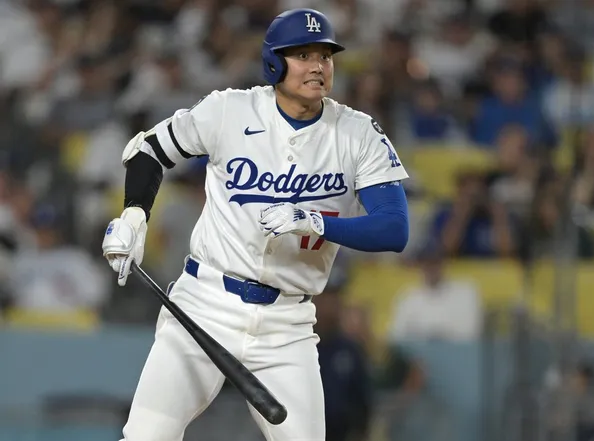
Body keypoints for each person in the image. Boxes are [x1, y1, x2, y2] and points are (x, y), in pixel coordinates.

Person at [100, 8, 409, 441]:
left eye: (325, 56)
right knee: (146, 436)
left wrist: (314, 222)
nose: (317, 66)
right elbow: (149, 151)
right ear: (274, 63)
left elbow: (394, 228)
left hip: (288, 322)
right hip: (205, 304)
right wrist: (135, 214)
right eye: (302, 55)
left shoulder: (358, 133)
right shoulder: (229, 110)